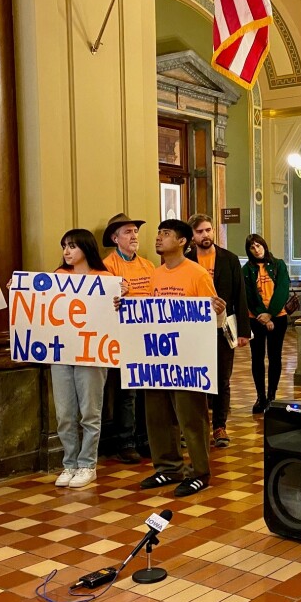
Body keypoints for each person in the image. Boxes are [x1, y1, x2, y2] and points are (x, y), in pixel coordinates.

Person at [138, 219, 226, 497]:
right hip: (159, 356)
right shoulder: (156, 274)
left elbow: (213, 318)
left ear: (181, 241)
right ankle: (168, 466)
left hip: (187, 357)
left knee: (191, 415)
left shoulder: (197, 274)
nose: (158, 238)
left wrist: (218, 310)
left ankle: (199, 470)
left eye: (166, 234)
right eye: (159, 232)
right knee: (158, 414)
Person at [52, 229, 114, 488]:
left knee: (90, 412)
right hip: (63, 352)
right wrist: (19, 290)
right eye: (64, 246)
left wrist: (121, 297)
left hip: (92, 351)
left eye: (73, 246)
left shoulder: (105, 278)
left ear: (86, 249)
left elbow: (115, 313)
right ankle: (69, 464)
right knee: (65, 413)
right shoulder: (58, 277)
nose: (67, 251)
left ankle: (87, 464)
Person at [187, 214, 250, 447]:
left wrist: (244, 331)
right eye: (200, 231)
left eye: (208, 230)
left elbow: (239, 295)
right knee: (196, 380)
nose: (206, 235)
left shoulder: (229, 259)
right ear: (192, 237)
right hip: (193, 330)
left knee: (222, 379)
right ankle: (197, 427)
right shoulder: (187, 260)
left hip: (223, 328)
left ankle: (220, 427)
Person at [102, 213, 156, 464]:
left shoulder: (148, 265)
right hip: (122, 337)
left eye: (135, 231)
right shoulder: (107, 266)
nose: (134, 236)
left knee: (148, 390)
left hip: (148, 335)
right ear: (115, 238)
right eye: (127, 232)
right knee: (127, 392)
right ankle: (125, 441)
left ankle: (146, 438)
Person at [242, 233, 290, 414]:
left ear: (264, 245)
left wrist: (270, 314)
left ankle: (272, 395)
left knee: (275, 356)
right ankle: (260, 396)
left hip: (278, 317)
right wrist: (262, 314)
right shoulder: (246, 269)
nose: (256, 249)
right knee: (257, 357)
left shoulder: (278, 265)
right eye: (252, 248)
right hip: (255, 319)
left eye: (258, 245)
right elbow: (248, 295)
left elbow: (282, 289)